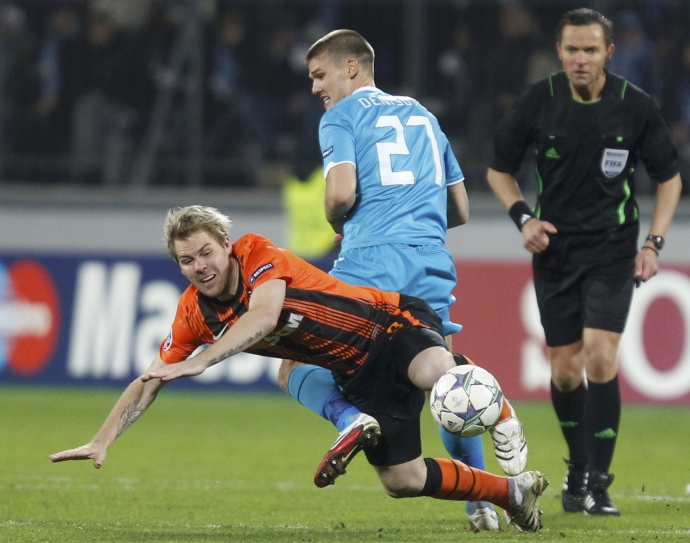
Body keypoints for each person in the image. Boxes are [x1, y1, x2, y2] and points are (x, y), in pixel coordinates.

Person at [48, 205, 549, 533]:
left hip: (390, 323)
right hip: (356, 371)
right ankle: (511, 491)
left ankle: (502, 413)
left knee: (435, 374)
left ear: (226, 243)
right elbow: (148, 380)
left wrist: (201, 361)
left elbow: (264, 317)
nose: (200, 266)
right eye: (186, 260)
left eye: (206, 252)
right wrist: (103, 438)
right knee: (402, 480)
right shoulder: (192, 314)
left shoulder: (257, 254)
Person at [277, 29, 527, 531]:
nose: (315, 87)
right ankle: (482, 499)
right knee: (445, 383)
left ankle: (349, 419)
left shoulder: (340, 117)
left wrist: (340, 220)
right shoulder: (424, 116)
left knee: (292, 363)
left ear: (352, 67)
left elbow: (341, 194)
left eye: (320, 75)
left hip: (368, 266)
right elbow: (460, 209)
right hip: (431, 263)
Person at [486, 8, 683, 517]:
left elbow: (669, 178)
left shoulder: (634, 106)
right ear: (559, 51)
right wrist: (524, 219)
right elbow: (498, 169)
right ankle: (577, 465)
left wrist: (653, 244)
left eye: (590, 50)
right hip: (554, 253)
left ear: (608, 53)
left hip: (613, 250)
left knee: (599, 355)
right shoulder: (539, 100)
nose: (580, 59)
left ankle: (598, 482)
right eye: (572, 49)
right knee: (566, 370)